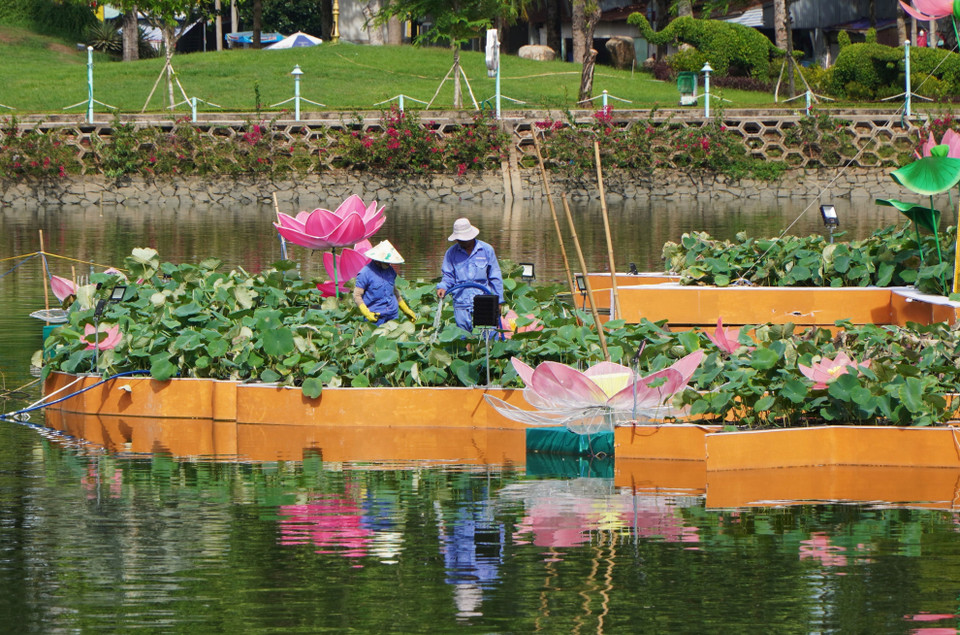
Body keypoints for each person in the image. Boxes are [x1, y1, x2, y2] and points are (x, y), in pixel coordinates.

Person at [436, 217, 504, 332]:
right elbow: (448, 276)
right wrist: (442, 287)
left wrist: (499, 301)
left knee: (488, 335)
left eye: (463, 239)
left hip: (484, 299)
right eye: (458, 239)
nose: (460, 241)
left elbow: (495, 277)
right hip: (461, 301)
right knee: (464, 337)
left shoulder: (486, 250)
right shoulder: (451, 253)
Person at [353, 240, 417, 326]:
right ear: (377, 260)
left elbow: (394, 292)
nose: (389, 263)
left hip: (393, 315)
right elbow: (357, 295)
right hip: (375, 316)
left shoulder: (390, 271)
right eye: (387, 262)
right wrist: (367, 313)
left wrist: (405, 309)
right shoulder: (365, 273)